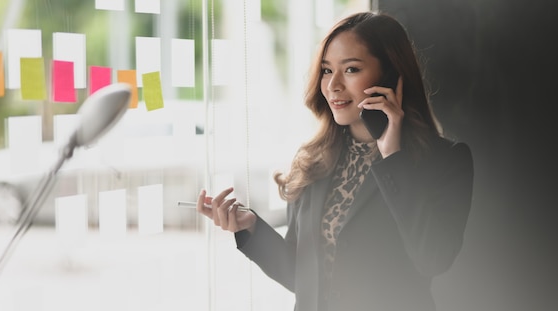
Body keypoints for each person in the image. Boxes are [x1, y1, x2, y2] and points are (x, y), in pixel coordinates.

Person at [196, 11, 473, 311]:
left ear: (391, 77)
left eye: (351, 69)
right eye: (327, 71)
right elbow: (302, 277)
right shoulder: (314, 160)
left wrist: (393, 156)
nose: (333, 86)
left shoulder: (445, 161)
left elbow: (433, 259)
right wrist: (249, 227)